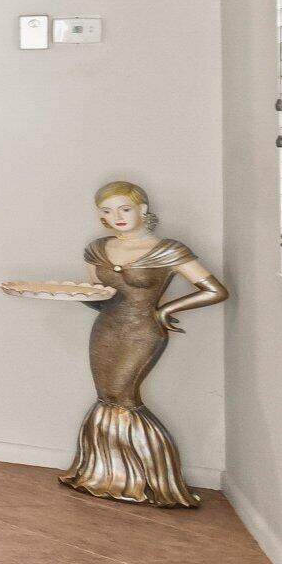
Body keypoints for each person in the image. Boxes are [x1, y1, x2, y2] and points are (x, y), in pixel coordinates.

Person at [65, 180, 226, 507]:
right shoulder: (97, 249)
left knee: (124, 398)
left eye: (125, 209)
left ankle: (160, 481)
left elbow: (216, 291)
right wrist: (77, 295)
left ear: (142, 209)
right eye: (107, 211)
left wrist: (166, 310)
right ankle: (103, 475)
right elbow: (100, 298)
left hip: (143, 332)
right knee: (106, 398)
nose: (117, 217)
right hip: (105, 328)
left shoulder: (169, 250)